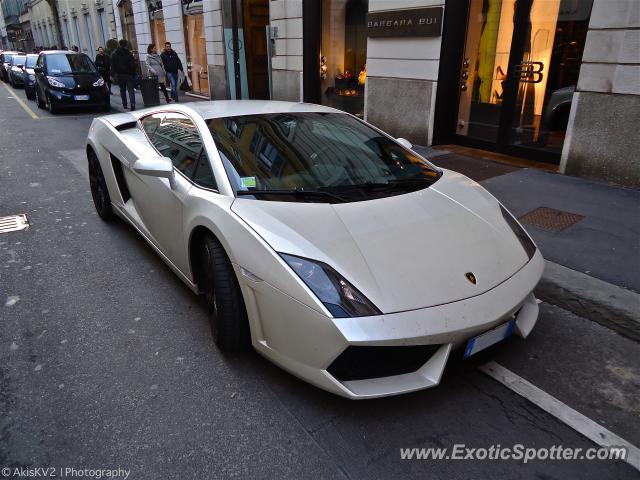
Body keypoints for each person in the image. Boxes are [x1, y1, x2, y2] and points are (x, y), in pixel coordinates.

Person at [111, 39, 136, 110]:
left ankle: (125, 104)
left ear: (119, 44)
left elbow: (113, 65)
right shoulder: (129, 53)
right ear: (126, 45)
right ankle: (133, 104)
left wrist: (112, 74)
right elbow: (133, 65)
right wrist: (133, 73)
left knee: (122, 90)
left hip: (120, 74)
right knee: (131, 89)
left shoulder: (115, 54)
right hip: (129, 74)